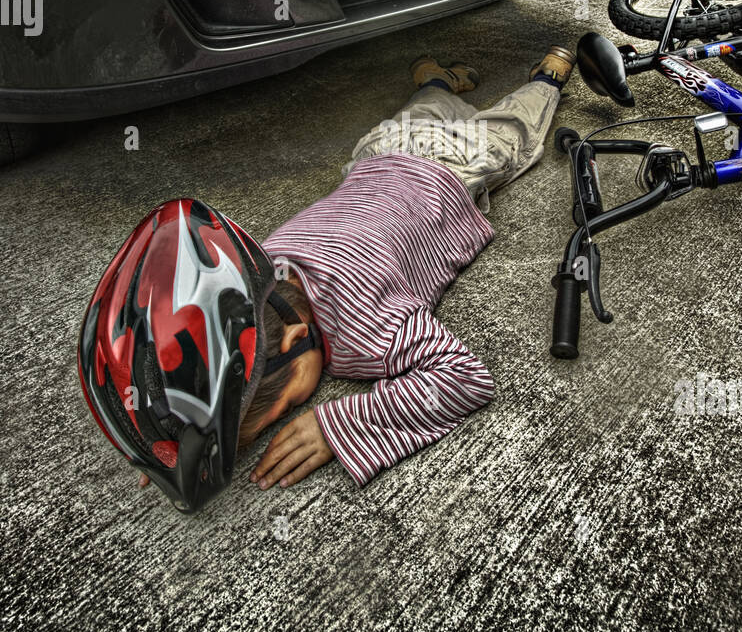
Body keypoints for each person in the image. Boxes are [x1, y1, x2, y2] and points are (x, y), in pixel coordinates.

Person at [78, 47, 576, 510]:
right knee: (425, 110)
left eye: (283, 410)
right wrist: (163, 422)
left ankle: (548, 78)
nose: (288, 416)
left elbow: (465, 379)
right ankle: (437, 81)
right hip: (380, 153)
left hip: (456, 168)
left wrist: (338, 423)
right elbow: (193, 328)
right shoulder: (259, 264)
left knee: (516, 129)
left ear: (297, 339)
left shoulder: (365, 330)